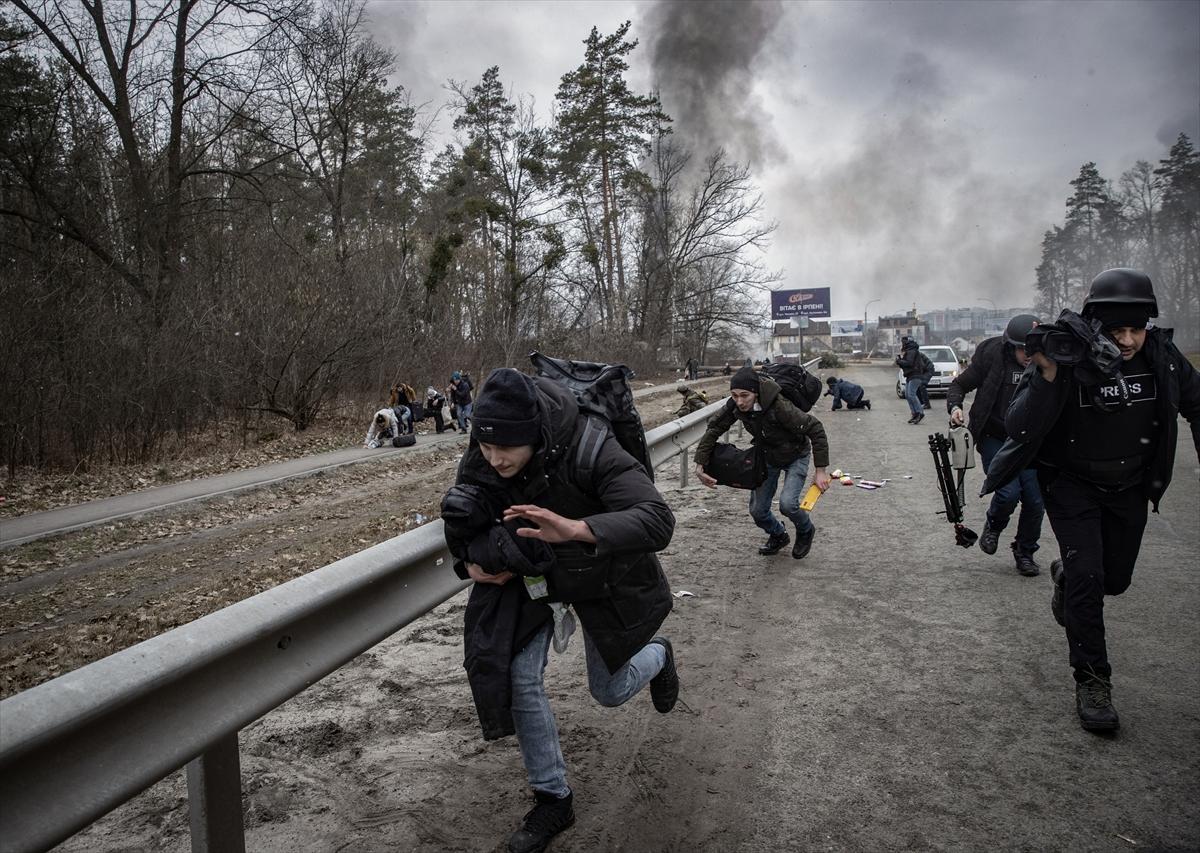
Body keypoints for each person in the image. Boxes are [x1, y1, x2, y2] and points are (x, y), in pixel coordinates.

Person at [441, 367, 679, 853]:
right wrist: (468, 564)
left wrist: (576, 529)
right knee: (518, 676)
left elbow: (657, 519)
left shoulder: (590, 445)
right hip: (532, 570)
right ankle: (553, 798)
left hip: (600, 570)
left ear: (535, 435)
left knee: (609, 691)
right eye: (485, 448)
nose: (493, 459)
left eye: (504, 449)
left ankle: (658, 657)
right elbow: (470, 517)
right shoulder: (486, 449)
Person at [987, 269, 1200, 733]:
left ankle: (1064, 575)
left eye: (1136, 329)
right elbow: (1018, 426)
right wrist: (1045, 375)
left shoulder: (1162, 357)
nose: (1127, 341)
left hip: (1130, 487)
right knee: (1089, 577)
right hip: (1072, 485)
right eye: (1117, 330)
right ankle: (1092, 680)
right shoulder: (1066, 357)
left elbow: (1197, 406)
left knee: (1114, 581)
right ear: (1096, 324)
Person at [692, 366, 832, 559]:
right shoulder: (735, 405)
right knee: (758, 511)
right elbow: (714, 428)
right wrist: (700, 463)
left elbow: (815, 428)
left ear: (756, 393)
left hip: (796, 455)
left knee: (787, 504)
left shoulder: (779, 406)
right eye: (734, 395)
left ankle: (806, 529)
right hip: (767, 456)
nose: (739, 401)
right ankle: (778, 534)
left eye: (745, 395)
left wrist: (820, 471)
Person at [947, 314, 1044, 576]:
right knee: (1008, 493)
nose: (1028, 355)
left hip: (1030, 442)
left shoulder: (1048, 363)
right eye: (1022, 349)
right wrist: (955, 407)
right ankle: (994, 525)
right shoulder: (992, 356)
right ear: (1011, 345)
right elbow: (959, 384)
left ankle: (1025, 551)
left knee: (1035, 501)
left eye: (1032, 349)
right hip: (995, 437)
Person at [896, 338, 930, 424]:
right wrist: (900, 361)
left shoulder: (911, 351)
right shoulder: (910, 351)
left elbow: (909, 363)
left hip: (915, 375)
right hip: (911, 375)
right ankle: (914, 413)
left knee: (911, 394)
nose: (901, 346)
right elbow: (907, 364)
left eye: (901, 344)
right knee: (907, 395)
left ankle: (920, 412)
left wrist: (900, 361)